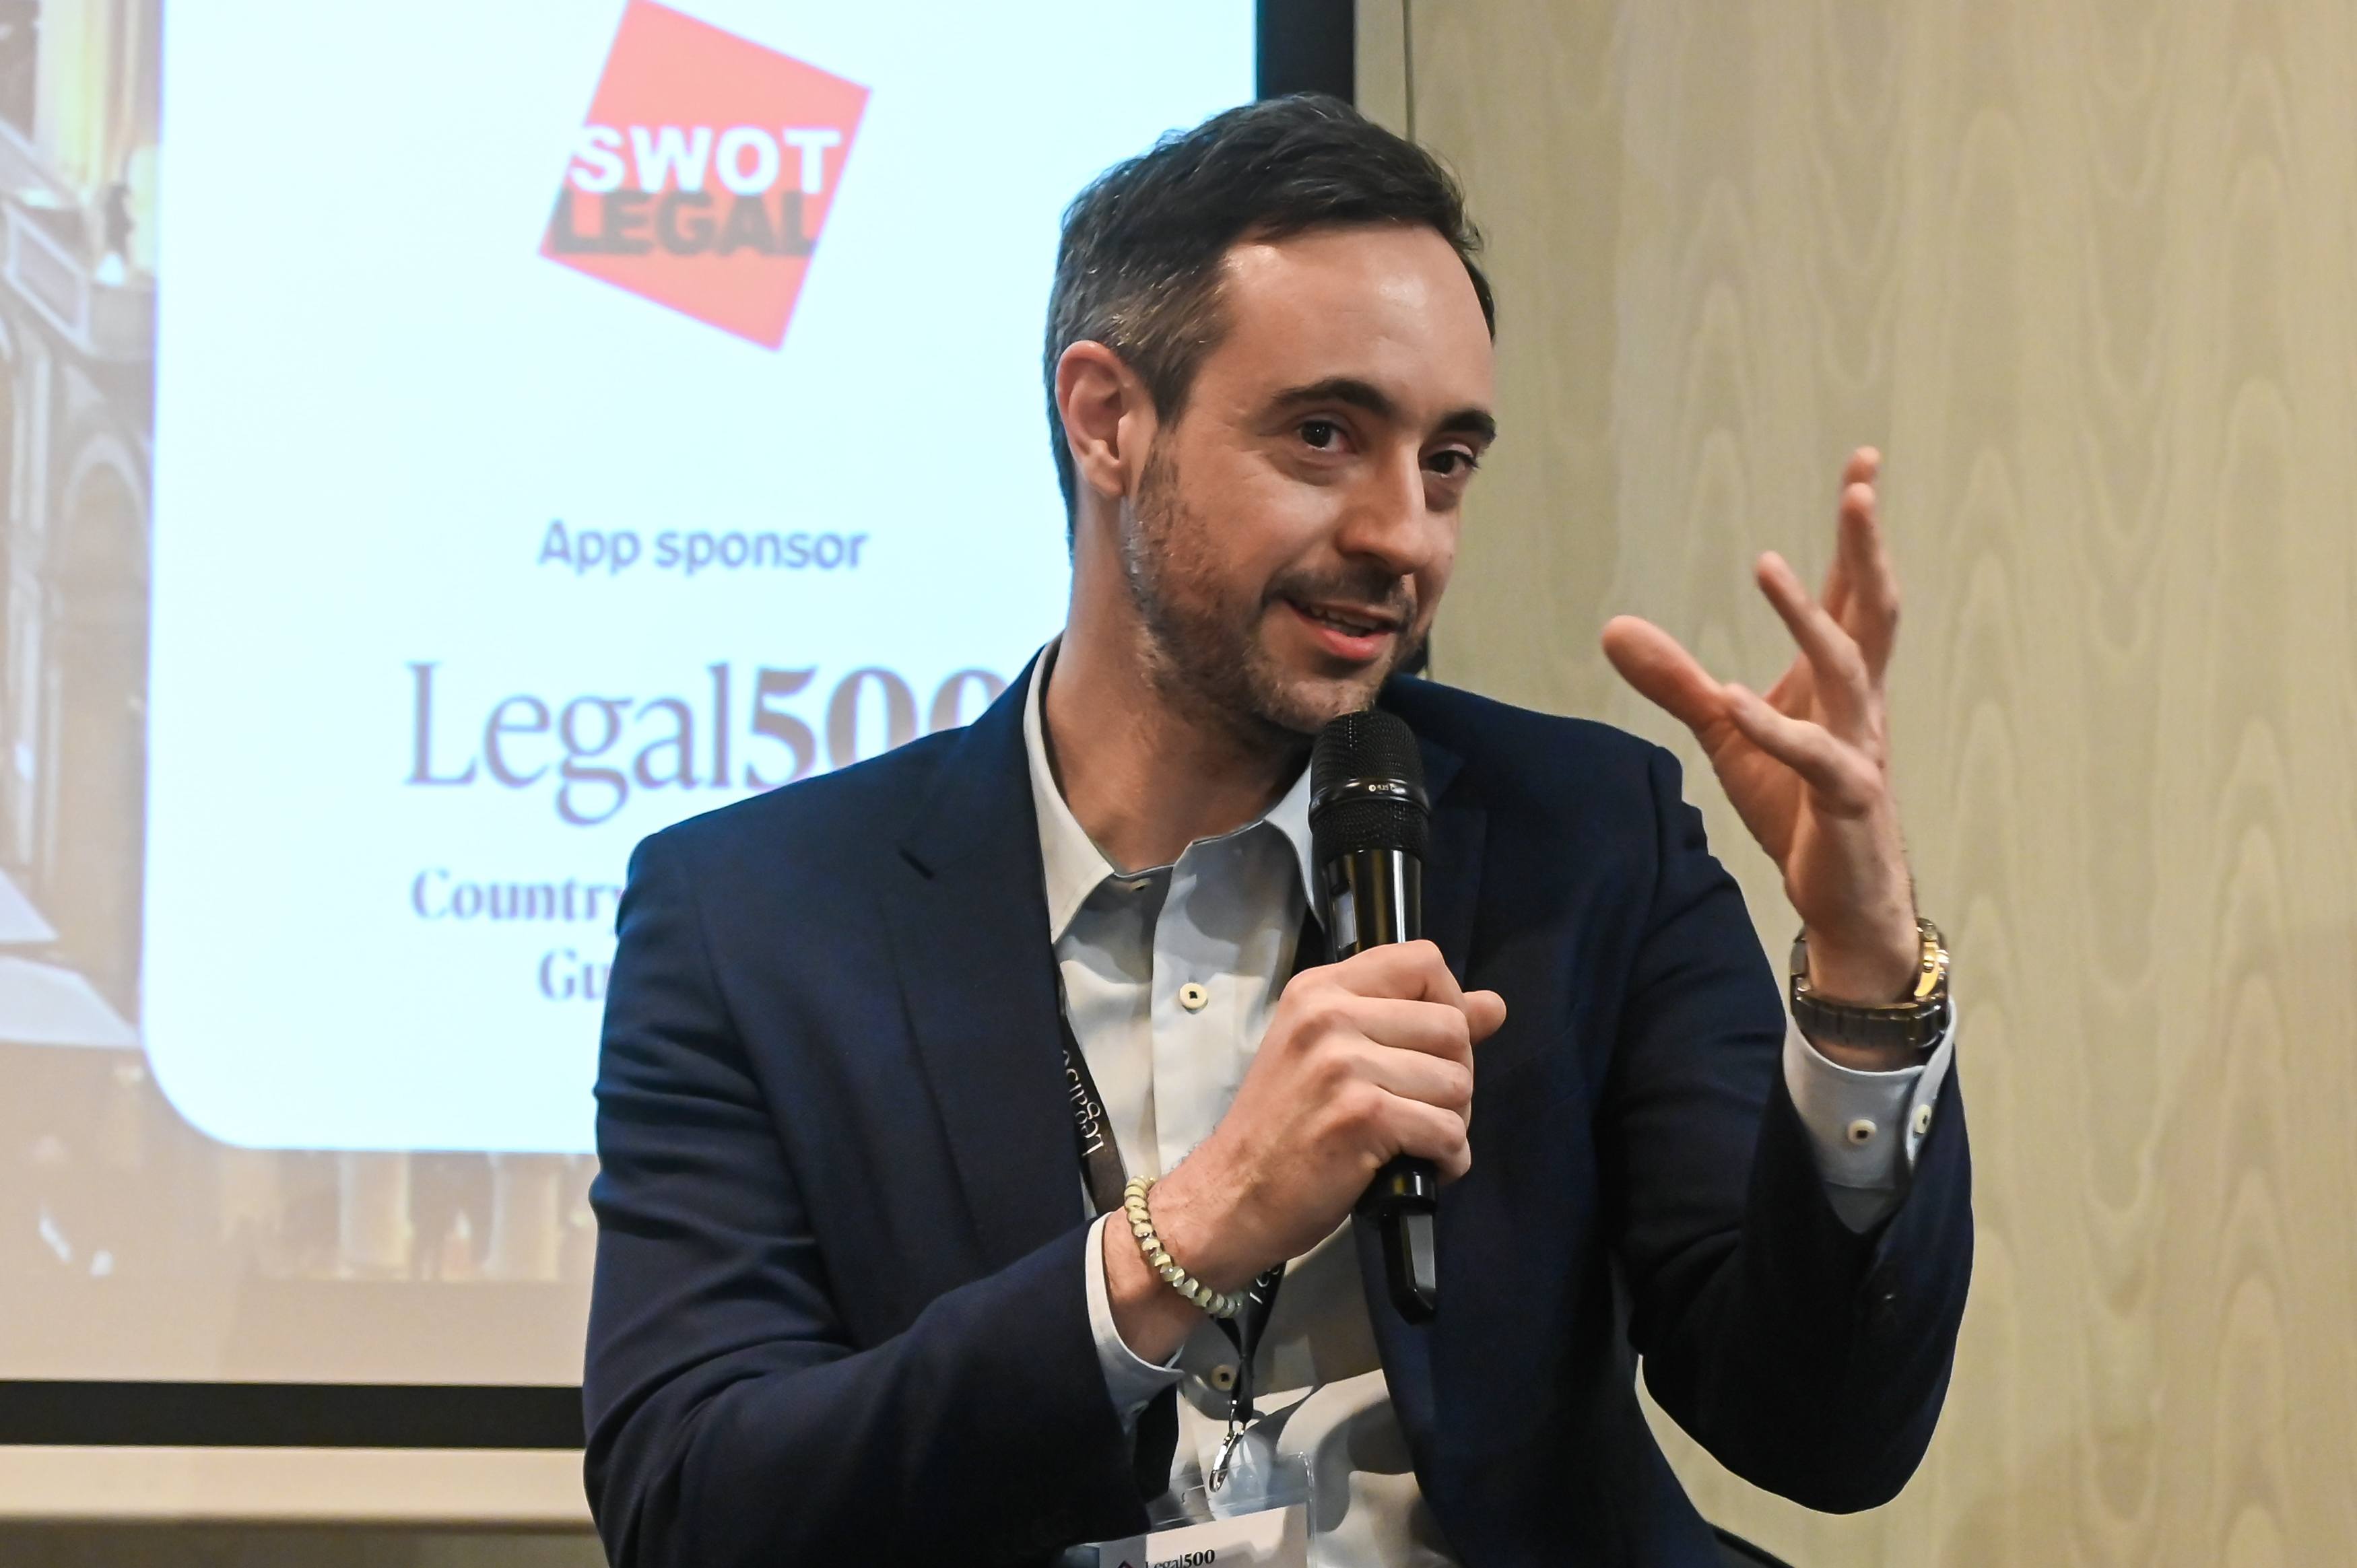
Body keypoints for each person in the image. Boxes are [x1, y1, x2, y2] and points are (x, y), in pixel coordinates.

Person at [582, 95, 1970, 1567]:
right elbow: (694, 1506)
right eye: (1324, 436)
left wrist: (1863, 974)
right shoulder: (753, 917)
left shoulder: (1584, 840)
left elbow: (1824, 1436)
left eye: (1447, 461)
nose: (1404, 533)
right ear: (1108, 419)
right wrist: (1187, 1234)